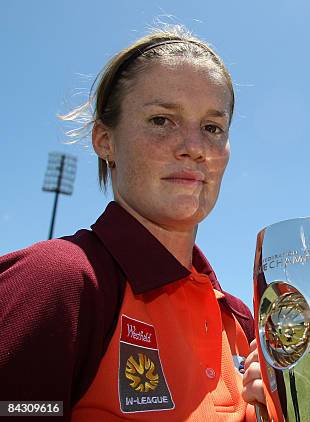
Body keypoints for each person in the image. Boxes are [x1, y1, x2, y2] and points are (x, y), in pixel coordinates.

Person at [0, 26, 258, 421]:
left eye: (212, 128)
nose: (194, 147)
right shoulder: (57, 281)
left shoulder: (240, 320)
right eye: (161, 120)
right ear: (104, 140)